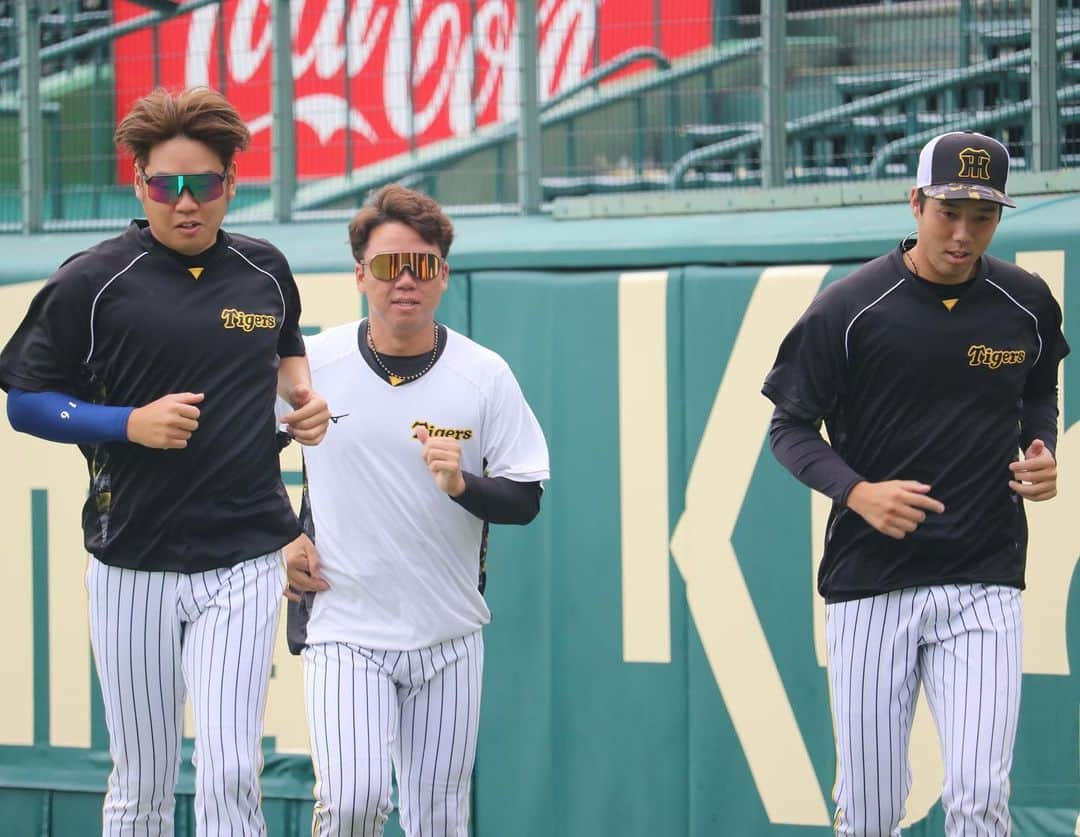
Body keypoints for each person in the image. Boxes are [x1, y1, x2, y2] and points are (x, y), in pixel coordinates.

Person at [0, 87, 330, 835]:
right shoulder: (92, 281)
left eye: (204, 184)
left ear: (231, 186)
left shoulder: (265, 269)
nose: (186, 202)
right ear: (140, 184)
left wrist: (303, 398)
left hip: (246, 557)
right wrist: (128, 423)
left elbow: (285, 353)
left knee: (229, 772)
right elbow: (24, 400)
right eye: (166, 185)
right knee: (143, 782)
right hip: (134, 561)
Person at [762, 130, 1068, 836]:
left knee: (978, 792)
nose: (963, 233)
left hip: (985, 574)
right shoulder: (849, 307)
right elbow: (790, 429)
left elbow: (1036, 391)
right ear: (915, 202)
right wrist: (858, 491)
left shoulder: (1024, 302)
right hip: (872, 580)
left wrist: (1040, 445)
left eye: (983, 215)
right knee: (869, 810)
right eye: (947, 211)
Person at [283, 184, 550, 837]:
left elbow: (525, 497)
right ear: (358, 275)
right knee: (354, 802)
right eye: (387, 265)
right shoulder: (314, 364)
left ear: (443, 276)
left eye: (423, 265)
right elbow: (235, 454)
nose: (406, 280)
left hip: (448, 634)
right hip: (346, 627)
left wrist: (463, 486)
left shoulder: (483, 374)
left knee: (438, 821)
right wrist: (280, 535)